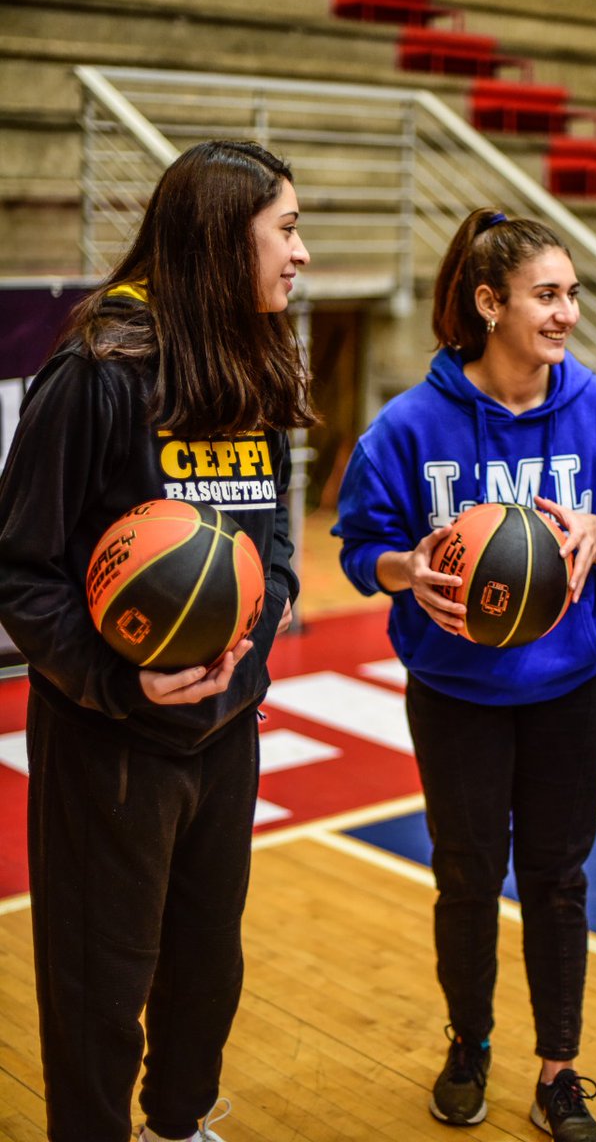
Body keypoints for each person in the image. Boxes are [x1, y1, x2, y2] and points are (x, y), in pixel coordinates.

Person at [0, 140, 313, 1142]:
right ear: (226, 240)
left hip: (228, 731)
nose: (302, 254)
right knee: (99, 980)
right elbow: (19, 567)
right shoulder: (96, 373)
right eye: (288, 229)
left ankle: (178, 1125)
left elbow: (273, 544)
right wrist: (120, 683)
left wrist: (243, 659)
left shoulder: (250, 356)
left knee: (206, 963)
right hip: (111, 741)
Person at [334, 208, 596, 1141]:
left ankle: (558, 1072)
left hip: (569, 690)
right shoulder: (407, 426)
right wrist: (409, 570)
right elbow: (361, 548)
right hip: (455, 695)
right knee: (468, 877)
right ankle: (469, 1045)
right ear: (489, 304)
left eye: (571, 294)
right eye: (546, 295)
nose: (565, 313)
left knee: (558, 879)